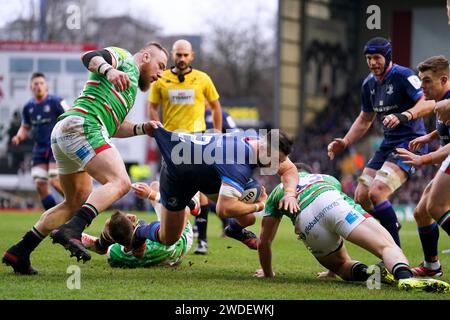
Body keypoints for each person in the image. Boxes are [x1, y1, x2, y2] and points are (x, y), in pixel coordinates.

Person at [2, 42, 168, 275]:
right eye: (160, 66)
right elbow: (89, 56)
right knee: (121, 182)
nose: (160, 74)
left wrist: (143, 128)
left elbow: (114, 126)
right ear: (146, 56)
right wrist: (110, 70)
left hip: (65, 132)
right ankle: (74, 229)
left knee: (75, 202)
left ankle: (20, 251)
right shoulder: (125, 58)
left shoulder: (127, 88)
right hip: (83, 126)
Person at [255, 162, 450, 293]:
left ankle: (370, 274)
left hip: (306, 223)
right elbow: (334, 216)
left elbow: (264, 241)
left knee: (340, 265)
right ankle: (405, 277)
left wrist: (268, 272)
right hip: (330, 200)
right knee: (387, 246)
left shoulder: (277, 192)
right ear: (308, 172)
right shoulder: (326, 177)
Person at [327, 37, 435, 248]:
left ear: (387, 57)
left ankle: (394, 254)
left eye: (376, 57)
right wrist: (346, 141)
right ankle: (390, 222)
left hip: (410, 142)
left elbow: (427, 102)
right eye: (368, 58)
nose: (372, 62)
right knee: (361, 198)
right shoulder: (368, 84)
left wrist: (405, 115)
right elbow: (365, 118)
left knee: (376, 192)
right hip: (388, 145)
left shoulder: (404, 76)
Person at [129, 123, 299, 254]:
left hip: (207, 172)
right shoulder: (238, 164)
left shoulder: (258, 140)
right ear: (264, 148)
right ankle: (140, 231)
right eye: (275, 160)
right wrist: (260, 206)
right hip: (178, 175)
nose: (276, 165)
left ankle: (234, 230)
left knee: (248, 216)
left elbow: (289, 170)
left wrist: (290, 194)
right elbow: (223, 210)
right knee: (168, 238)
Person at [148, 39, 224, 255]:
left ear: (192, 56)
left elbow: (216, 107)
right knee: (171, 185)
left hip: (197, 139)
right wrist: (158, 130)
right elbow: (152, 108)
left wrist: (217, 133)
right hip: (172, 141)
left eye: (185, 55)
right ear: (173, 55)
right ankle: (173, 230)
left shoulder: (203, 79)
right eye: (178, 55)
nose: (181, 59)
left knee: (200, 190)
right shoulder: (162, 80)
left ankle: (203, 240)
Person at [396, 56, 450, 277]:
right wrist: (429, 136)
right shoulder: (443, 102)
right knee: (420, 212)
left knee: (435, 207)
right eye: (421, 80)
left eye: (427, 81)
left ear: (444, 79)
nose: (422, 86)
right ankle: (431, 267)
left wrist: (422, 159)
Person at [81, 182, 194, 268]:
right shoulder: (151, 233)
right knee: (157, 186)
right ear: (134, 227)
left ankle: (100, 244)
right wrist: (151, 195)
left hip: (170, 256)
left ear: (113, 239)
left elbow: (114, 237)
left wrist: (103, 242)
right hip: (182, 239)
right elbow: (152, 229)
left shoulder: (114, 255)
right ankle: (197, 203)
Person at [12, 72, 67, 210]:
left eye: (41, 83)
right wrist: (18, 137)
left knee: (54, 180)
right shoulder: (28, 107)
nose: (39, 86)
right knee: (40, 184)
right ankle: (54, 216)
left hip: (55, 145)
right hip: (39, 148)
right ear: (31, 87)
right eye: (36, 84)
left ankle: (77, 206)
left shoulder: (56, 101)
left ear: (46, 85)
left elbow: (71, 115)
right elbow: (25, 127)